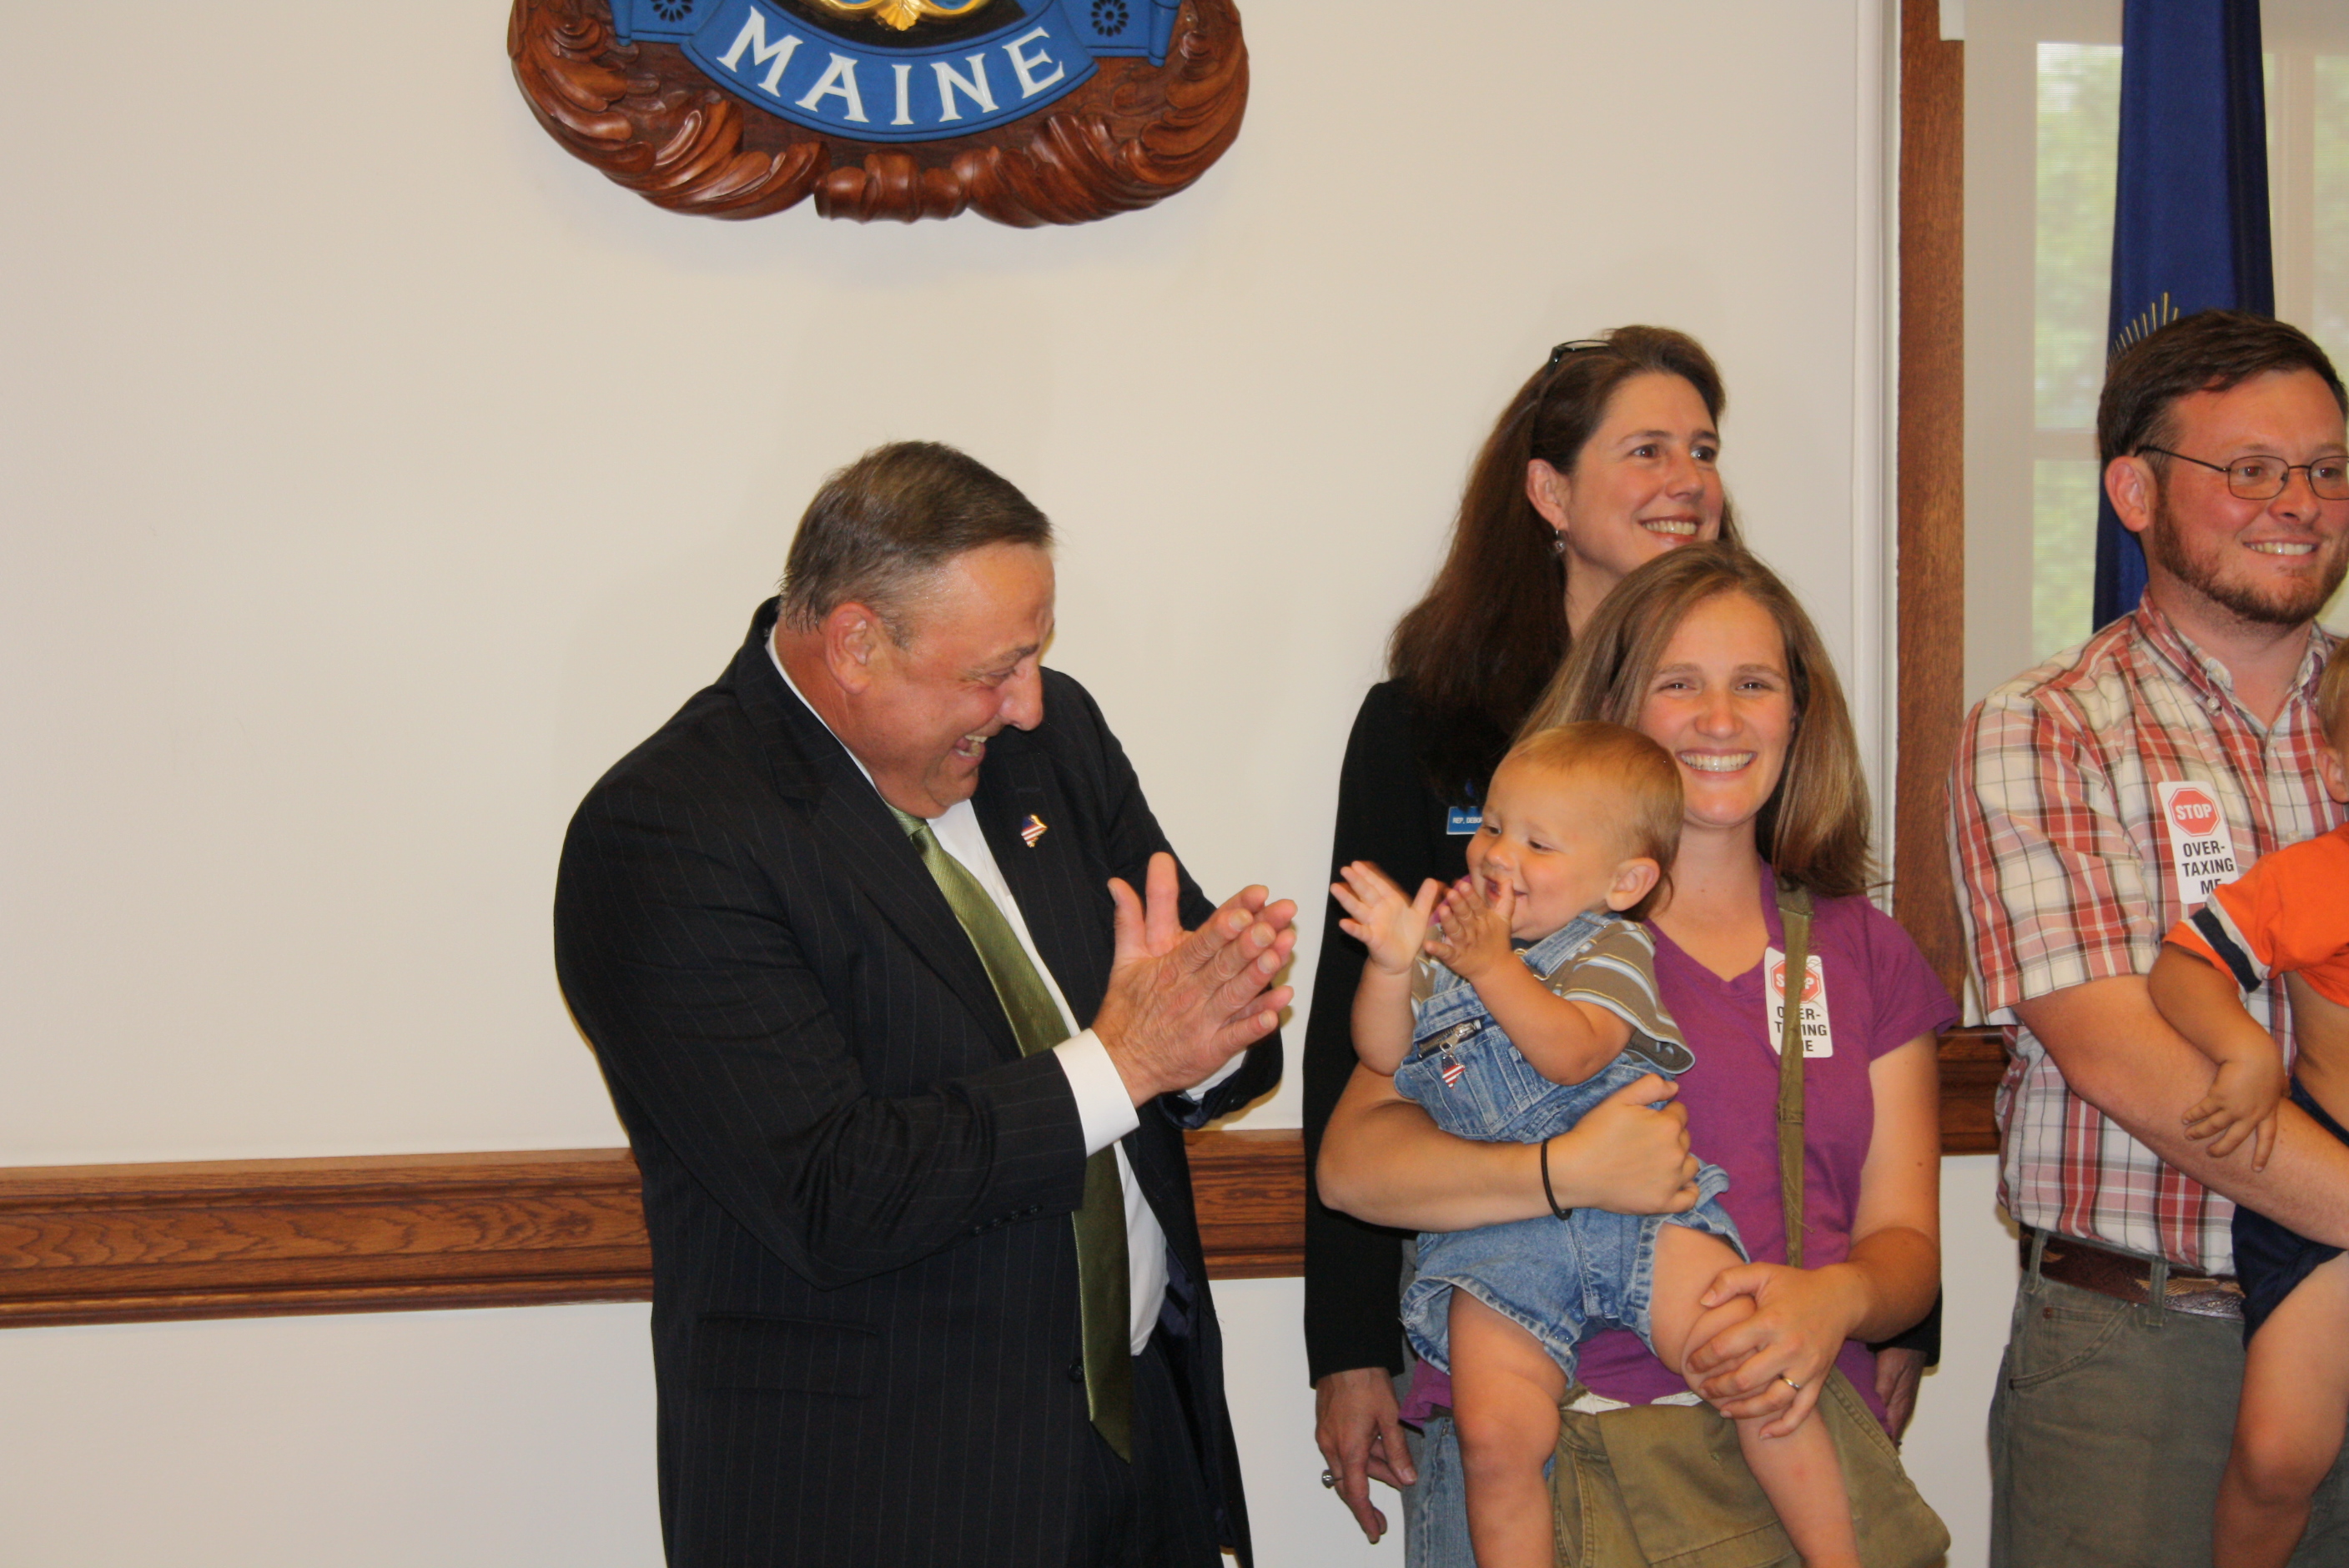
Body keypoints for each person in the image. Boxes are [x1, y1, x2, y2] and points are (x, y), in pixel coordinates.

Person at [553, 441, 1293, 1568]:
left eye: (1037, 655)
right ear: (856, 643)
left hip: (1140, 1463)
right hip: (889, 1498)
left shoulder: (1049, 744)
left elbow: (1184, 986)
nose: (1027, 700)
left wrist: (1211, 1027)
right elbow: (829, 1191)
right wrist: (1125, 1062)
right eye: (995, 670)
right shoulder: (672, 831)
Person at [1320, 543, 1949, 1561]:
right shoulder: (1507, 943)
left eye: (1754, 683)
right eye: (1678, 683)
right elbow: (1351, 1168)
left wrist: (1834, 1298)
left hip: (1779, 1468)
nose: (1719, 718)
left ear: (1798, 713)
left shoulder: (1864, 951)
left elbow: (1906, 1247)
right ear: (1610, 705)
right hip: (1544, 1468)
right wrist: (1563, 1171)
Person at [1303, 325, 1780, 1553]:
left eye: (1703, 450)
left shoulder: (1733, 729)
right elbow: (1357, 1041)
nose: (1687, 480)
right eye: (1646, 449)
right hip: (1493, 1294)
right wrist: (1347, 1345)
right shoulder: (1427, 724)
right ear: (1549, 494)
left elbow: (1801, 985)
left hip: (1702, 1290)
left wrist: (1880, 1315)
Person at [1949, 309, 2349, 1568]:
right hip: (2148, 1357)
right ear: (2134, 491)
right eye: (2251, 469)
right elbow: (2125, 1058)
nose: (2299, 503)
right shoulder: (2046, 726)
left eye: (2327, 469)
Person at [1335, 720, 1855, 1568]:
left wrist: (1492, 966)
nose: (1500, 855)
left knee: (1752, 1366)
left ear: (1624, 882)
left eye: (1538, 843)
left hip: (1640, 1221)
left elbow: (1572, 1051)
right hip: (1494, 1243)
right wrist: (1393, 967)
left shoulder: (1612, 946)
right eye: (1492, 826)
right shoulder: (1449, 950)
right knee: (1495, 1435)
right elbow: (1382, 1053)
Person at [2152, 639, 2349, 1568]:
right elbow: (2184, 966)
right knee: (2276, 1455)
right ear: (2338, 769)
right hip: (2326, 1192)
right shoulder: (2312, 878)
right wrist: (2245, 1050)